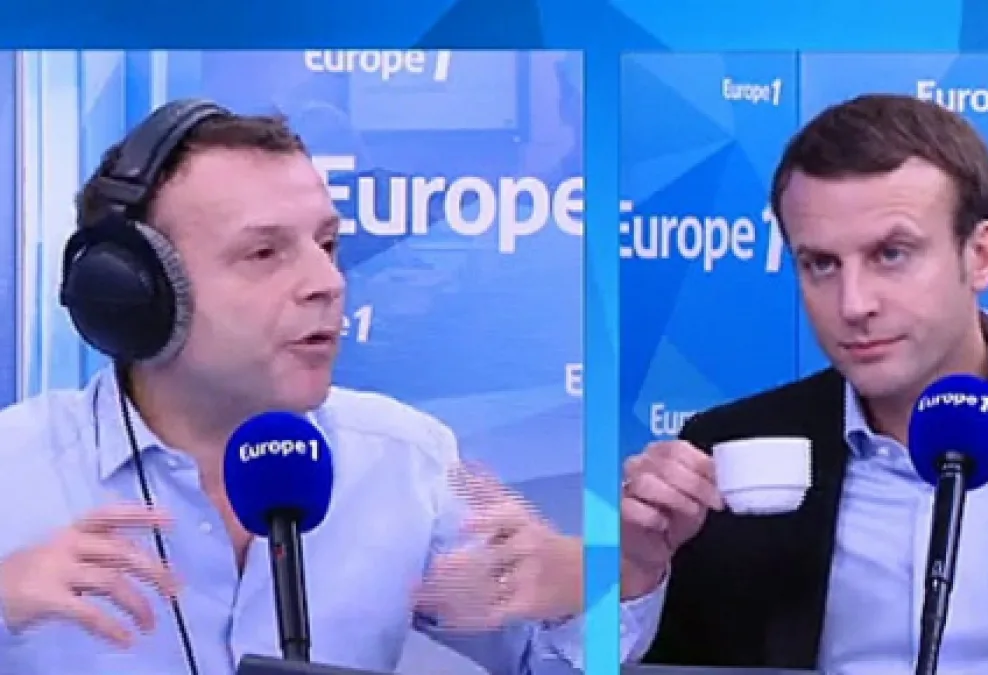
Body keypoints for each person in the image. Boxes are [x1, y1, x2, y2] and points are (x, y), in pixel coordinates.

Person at [0, 100, 592, 675]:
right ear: (131, 291)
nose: (327, 282)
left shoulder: (405, 459)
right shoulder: (15, 472)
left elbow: (547, 660)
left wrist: (589, 586)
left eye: (328, 245)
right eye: (264, 253)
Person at [618, 94, 988, 675]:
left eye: (891, 254)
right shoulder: (726, 453)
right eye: (821, 264)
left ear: (980, 255)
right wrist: (639, 574)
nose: (854, 304)